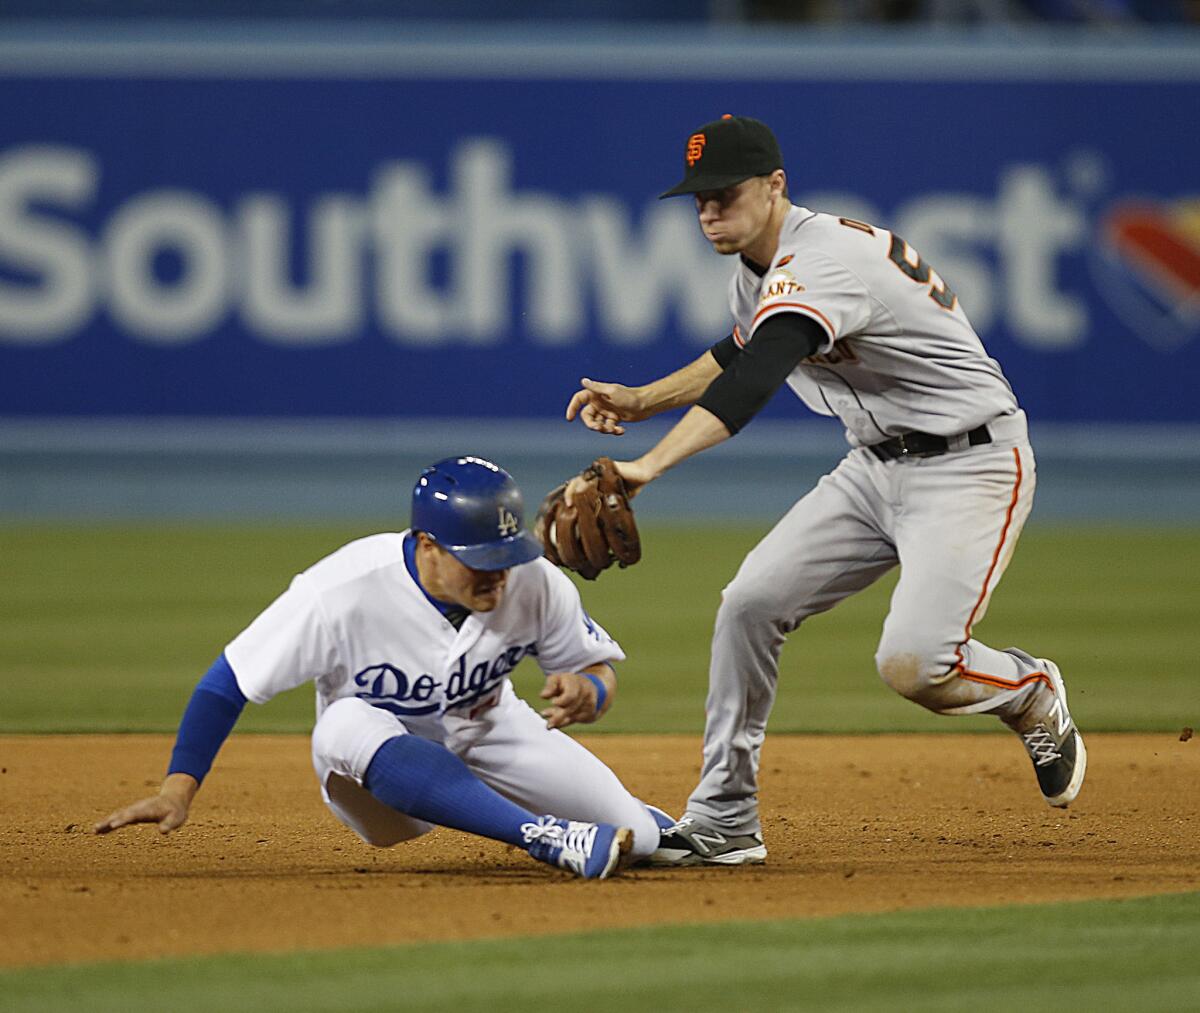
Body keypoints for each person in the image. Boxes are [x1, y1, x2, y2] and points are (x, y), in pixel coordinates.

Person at [563, 115, 1086, 867]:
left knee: (915, 663)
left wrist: (649, 464)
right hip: (873, 468)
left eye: (726, 192)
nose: (710, 210)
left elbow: (756, 377)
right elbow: (740, 346)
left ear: (776, 186)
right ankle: (724, 819)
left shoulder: (824, 259)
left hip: (971, 465)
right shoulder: (763, 261)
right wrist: (646, 398)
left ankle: (1030, 690)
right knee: (749, 604)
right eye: (699, 198)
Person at [95, 456, 670, 880]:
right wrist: (178, 789)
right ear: (427, 546)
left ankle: (620, 814)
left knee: (639, 839)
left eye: (505, 557)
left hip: (490, 730)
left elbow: (597, 670)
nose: (498, 575)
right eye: (479, 562)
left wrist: (590, 692)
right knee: (343, 721)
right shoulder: (341, 589)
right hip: (375, 779)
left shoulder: (534, 580)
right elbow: (228, 682)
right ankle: (541, 835)